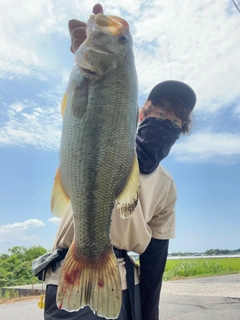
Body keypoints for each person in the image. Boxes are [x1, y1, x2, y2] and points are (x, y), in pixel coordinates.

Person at [42, 3, 197, 320]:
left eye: (175, 119)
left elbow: (155, 257)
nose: (166, 120)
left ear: (183, 130)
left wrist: (149, 313)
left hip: (124, 284)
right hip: (68, 272)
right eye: (160, 110)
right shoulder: (115, 125)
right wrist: (89, 49)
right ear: (141, 112)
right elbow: (104, 118)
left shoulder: (166, 187)